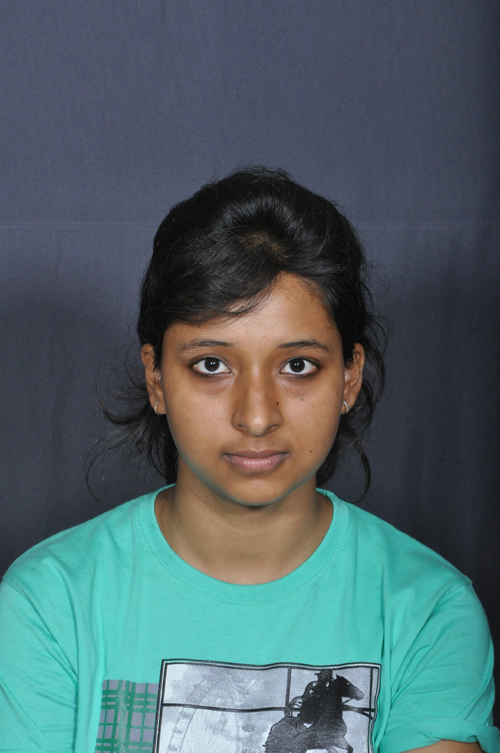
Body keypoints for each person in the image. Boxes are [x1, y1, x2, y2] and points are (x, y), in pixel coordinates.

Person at [0, 168, 498, 753]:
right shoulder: (47, 605)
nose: (257, 417)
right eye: (212, 365)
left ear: (349, 377)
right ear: (156, 379)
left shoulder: (429, 613)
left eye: (298, 366)